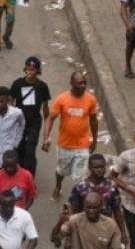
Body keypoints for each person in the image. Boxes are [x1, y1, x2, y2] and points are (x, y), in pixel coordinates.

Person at [42, 72, 99, 203]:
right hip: (64, 145)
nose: (83, 86)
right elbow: (50, 118)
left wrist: (94, 140)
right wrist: (46, 138)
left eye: (84, 83)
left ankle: (77, 200)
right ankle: (58, 187)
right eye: (80, 83)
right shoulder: (62, 99)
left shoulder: (90, 100)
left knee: (81, 177)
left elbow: (94, 121)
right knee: (61, 171)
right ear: (71, 83)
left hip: (82, 145)